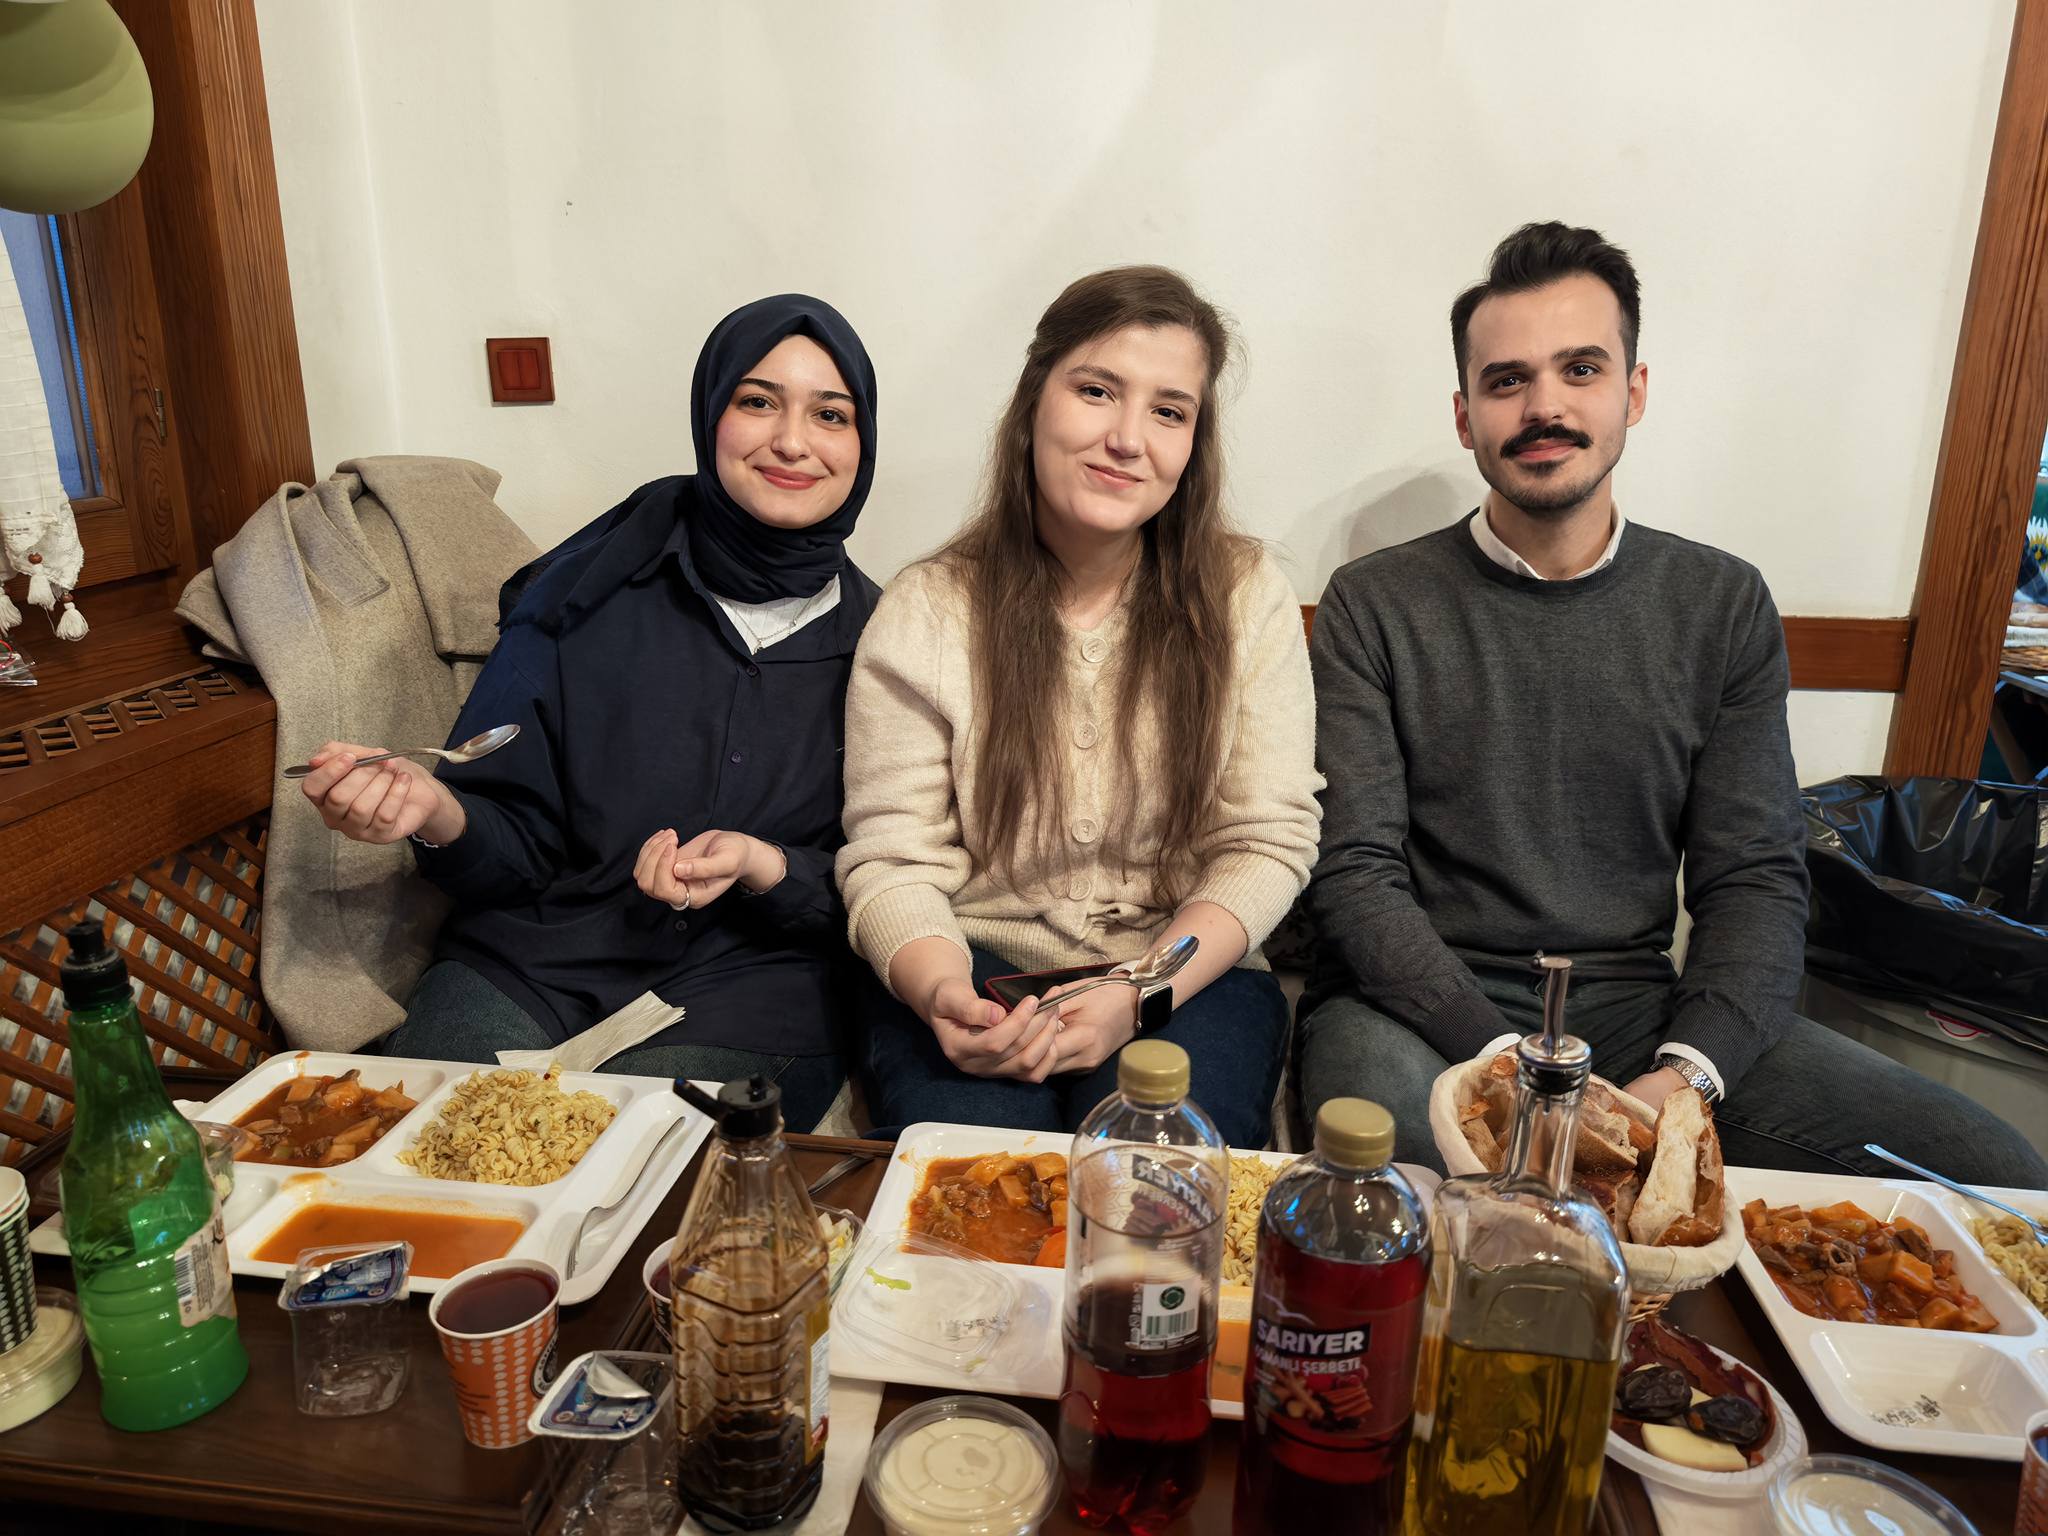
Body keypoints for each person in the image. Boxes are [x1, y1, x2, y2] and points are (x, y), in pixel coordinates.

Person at [1300, 222, 2048, 1186]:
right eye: (1507, 380)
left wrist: (1687, 1074)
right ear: (1464, 415)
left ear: (1634, 392)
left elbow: (1755, 876)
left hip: (1634, 1007)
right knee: (1407, 1178)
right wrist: (1515, 1067)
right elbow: (1356, 874)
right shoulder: (1375, 603)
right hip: (1421, 1010)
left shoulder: (1720, 604)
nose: (1544, 406)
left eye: (1581, 370)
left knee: (1994, 1170)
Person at [297, 295, 882, 1131]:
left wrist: (767, 867)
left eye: (830, 414)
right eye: (758, 401)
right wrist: (436, 811)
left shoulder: (888, 643)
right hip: (535, 964)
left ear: (863, 443)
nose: (793, 440)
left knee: (632, 1154)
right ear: (709, 416)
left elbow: (889, 879)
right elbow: (512, 847)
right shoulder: (583, 596)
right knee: (436, 1144)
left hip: (754, 986)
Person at [836, 266, 1321, 1148]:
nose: (1127, 439)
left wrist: (1141, 991)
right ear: (1034, 402)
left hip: (1185, 970)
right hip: (975, 962)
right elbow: (892, 859)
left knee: (1155, 1176)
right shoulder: (928, 610)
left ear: (1194, 442)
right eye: (1097, 391)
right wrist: (942, 989)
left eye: (1169, 411)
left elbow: (1266, 841)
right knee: (980, 1181)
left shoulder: (1245, 596)